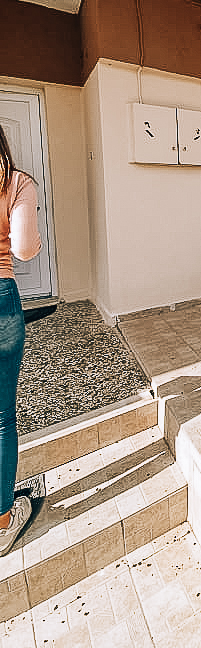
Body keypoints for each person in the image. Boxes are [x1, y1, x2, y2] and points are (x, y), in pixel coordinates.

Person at [0, 126, 41, 556]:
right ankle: (3, 521)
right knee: (1, 417)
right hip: (0, 296)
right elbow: (25, 248)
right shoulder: (16, 183)